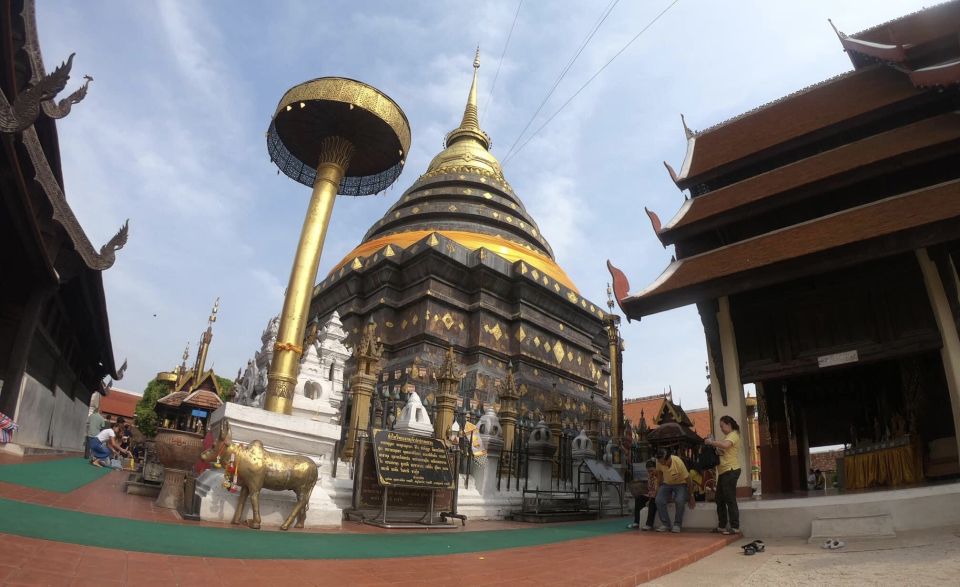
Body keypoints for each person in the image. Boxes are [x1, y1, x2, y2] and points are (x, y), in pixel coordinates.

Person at [705, 415, 742, 535]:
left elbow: (725, 446)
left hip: (731, 470)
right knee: (719, 498)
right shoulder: (728, 436)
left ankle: (735, 527)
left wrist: (712, 442)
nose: (721, 428)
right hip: (723, 471)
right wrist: (714, 446)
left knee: (729, 498)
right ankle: (722, 525)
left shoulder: (734, 434)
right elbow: (723, 450)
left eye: (722, 426)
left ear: (728, 424)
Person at [654, 447, 691, 533]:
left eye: (662, 462)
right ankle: (666, 524)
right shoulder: (659, 461)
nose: (660, 463)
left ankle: (677, 524)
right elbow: (660, 475)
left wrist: (691, 495)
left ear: (668, 459)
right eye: (659, 461)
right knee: (658, 500)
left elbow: (689, 480)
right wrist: (657, 490)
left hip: (681, 484)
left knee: (679, 500)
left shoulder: (678, 462)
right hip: (666, 483)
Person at [627, 459, 659, 531]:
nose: (650, 472)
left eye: (651, 470)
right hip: (651, 494)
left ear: (656, 468)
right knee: (639, 498)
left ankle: (649, 524)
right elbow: (650, 489)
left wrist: (650, 498)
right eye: (648, 471)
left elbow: (657, 490)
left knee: (652, 502)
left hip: (658, 495)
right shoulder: (650, 476)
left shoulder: (659, 476)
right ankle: (636, 522)